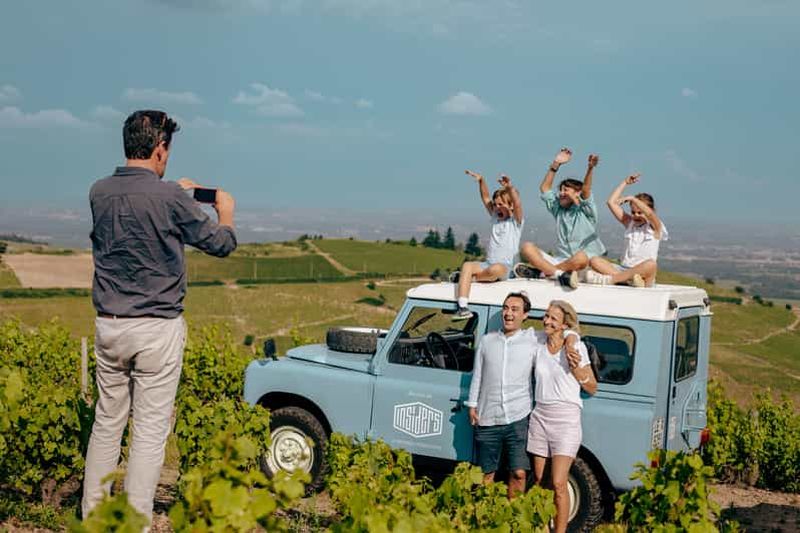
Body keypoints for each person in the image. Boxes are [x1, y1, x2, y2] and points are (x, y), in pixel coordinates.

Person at [82, 110, 237, 523]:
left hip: (109, 325)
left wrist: (171, 193)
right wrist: (225, 211)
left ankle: (94, 519)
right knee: (149, 434)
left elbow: (138, 215)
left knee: (106, 424)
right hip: (156, 330)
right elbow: (220, 244)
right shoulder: (169, 198)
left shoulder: (99, 192)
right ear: (159, 148)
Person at [466, 292, 579, 499]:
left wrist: (571, 341)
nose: (508, 314)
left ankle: (513, 520)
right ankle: (483, 519)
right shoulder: (487, 341)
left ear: (525, 315)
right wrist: (472, 405)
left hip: (518, 417)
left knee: (519, 473)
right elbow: (478, 376)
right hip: (487, 416)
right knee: (486, 474)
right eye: (506, 308)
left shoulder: (533, 338)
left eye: (515, 309)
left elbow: (566, 330)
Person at [527, 300, 597, 533]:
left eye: (553, 318)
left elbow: (592, 388)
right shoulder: (538, 342)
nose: (546, 321)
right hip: (539, 416)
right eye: (546, 316)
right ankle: (542, 528)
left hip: (566, 419)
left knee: (558, 483)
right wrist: (569, 336)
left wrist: (575, 361)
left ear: (564, 323)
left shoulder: (577, 348)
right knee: (539, 480)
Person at [513, 149, 606, 289]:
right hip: (561, 262)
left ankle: (542, 273)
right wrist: (556, 164)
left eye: (566, 190)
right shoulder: (558, 209)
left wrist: (590, 168)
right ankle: (556, 274)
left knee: (581, 257)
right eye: (560, 190)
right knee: (526, 247)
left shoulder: (587, 211)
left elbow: (586, 189)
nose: (561, 193)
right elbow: (545, 188)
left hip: (583, 266)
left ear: (577, 193)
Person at [451, 170, 523, 320]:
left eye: (500, 204)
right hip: (487, 264)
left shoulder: (516, 221)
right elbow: (485, 197)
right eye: (495, 205)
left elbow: (517, 203)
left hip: (505, 267)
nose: (496, 208)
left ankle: (470, 279)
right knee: (467, 265)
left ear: (510, 206)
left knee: (495, 269)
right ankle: (463, 306)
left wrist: (509, 188)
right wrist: (481, 181)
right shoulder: (495, 217)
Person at [585, 173, 668, 287]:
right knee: (594, 260)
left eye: (640, 212)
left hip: (642, 272)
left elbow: (649, 213)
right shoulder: (630, 223)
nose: (636, 215)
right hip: (622, 269)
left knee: (651, 265)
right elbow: (611, 202)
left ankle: (612, 279)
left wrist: (632, 198)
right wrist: (625, 183)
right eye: (633, 212)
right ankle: (627, 280)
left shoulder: (655, 227)